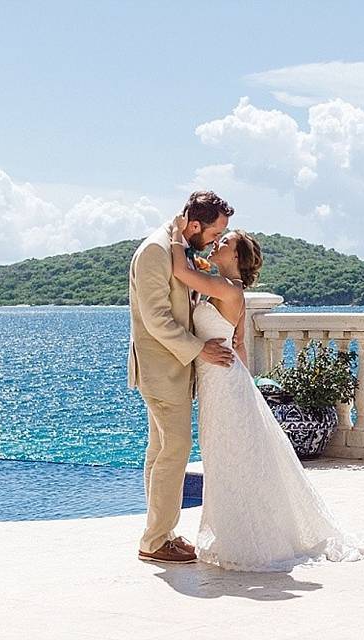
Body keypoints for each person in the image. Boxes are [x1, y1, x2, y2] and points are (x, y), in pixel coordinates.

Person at [167, 213, 364, 572]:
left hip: (223, 385)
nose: (218, 243)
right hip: (222, 381)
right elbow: (237, 344)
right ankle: (235, 531)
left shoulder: (226, 289)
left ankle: (247, 538)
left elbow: (181, 272)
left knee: (230, 458)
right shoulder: (224, 287)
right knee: (225, 458)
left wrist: (177, 232)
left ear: (236, 257)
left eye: (225, 243)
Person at [128, 190, 235, 564]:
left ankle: (162, 534)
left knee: (160, 451)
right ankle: (155, 541)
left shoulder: (175, 246)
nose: (214, 241)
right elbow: (156, 318)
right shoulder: (156, 251)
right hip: (162, 369)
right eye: (213, 232)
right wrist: (198, 349)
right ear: (193, 225)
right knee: (174, 450)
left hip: (172, 370)